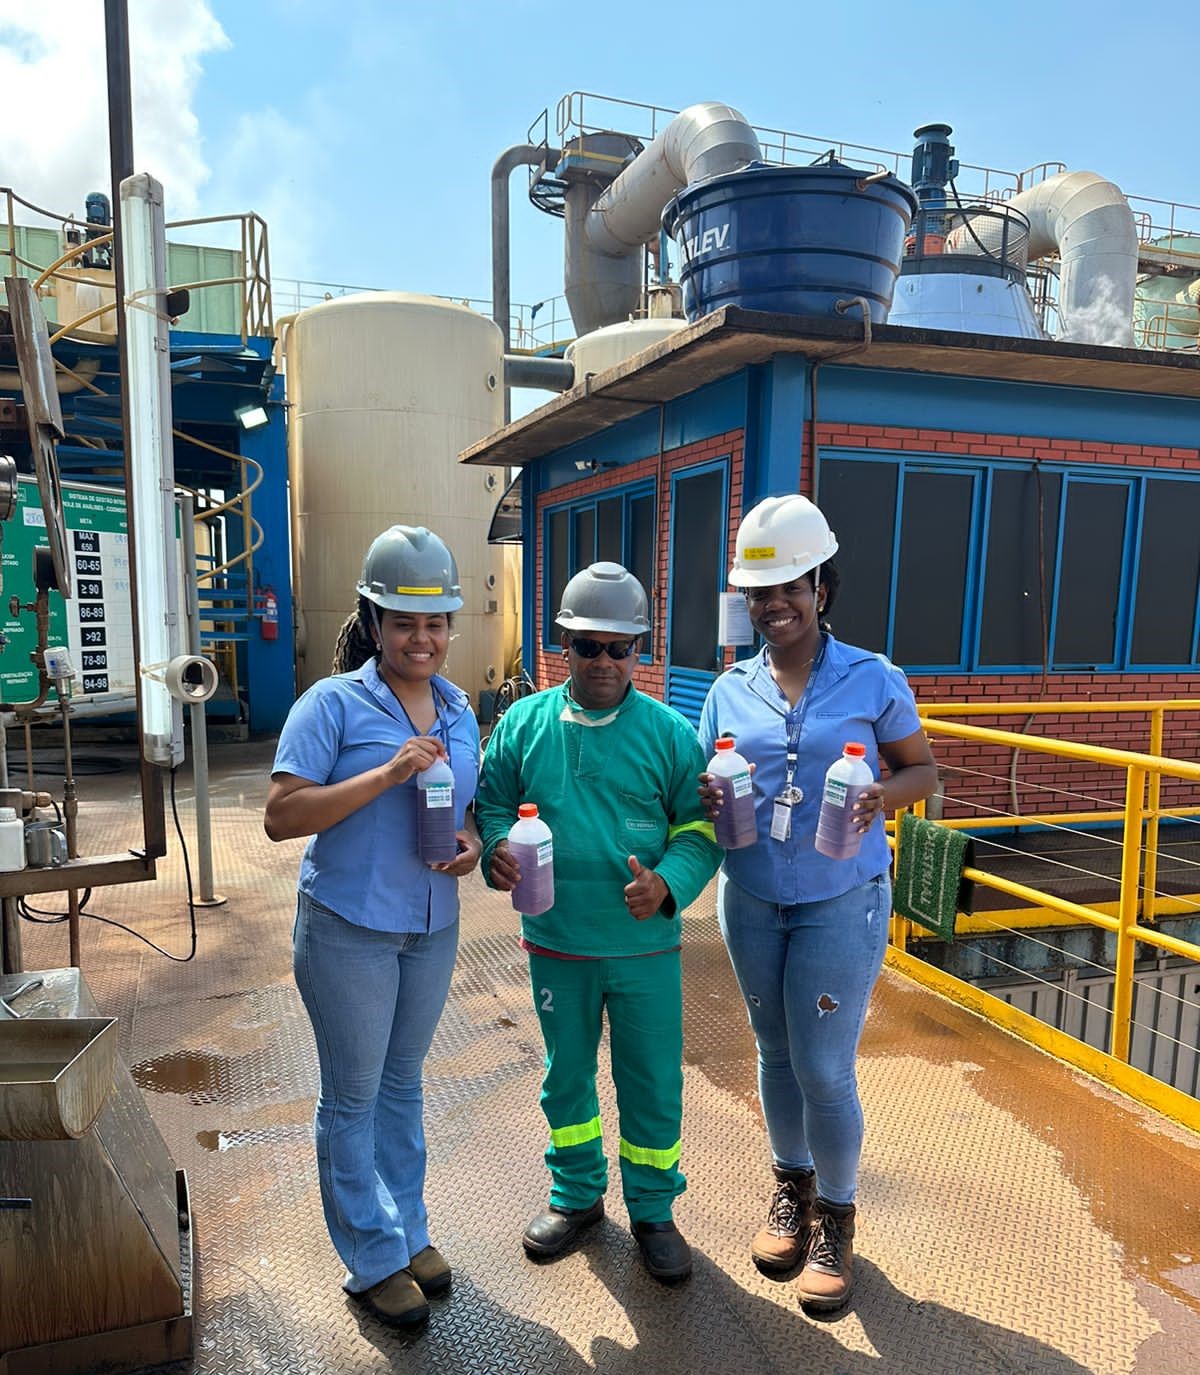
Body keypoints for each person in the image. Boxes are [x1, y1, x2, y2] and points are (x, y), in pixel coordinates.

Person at [698, 494, 936, 1313]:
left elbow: (921, 770)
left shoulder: (873, 677)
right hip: (752, 896)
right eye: (760, 592)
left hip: (842, 899)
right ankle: (790, 1189)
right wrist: (704, 796)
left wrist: (880, 795)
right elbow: (701, 786)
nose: (776, 604)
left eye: (791, 587)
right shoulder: (729, 689)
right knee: (773, 1052)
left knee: (824, 1067)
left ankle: (836, 1217)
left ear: (820, 589)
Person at [474, 562, 721, 1282]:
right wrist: (496, 849)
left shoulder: (669, 734)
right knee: (567, 1079)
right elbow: (492, 803)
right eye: (589, 646)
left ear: (639, 649)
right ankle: (577, 1195)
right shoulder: (523, 724)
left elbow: (700, 828)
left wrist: (668, 884)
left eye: (621, 647)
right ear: (564, 645)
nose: (605, 662)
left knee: (652, 1080)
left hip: (644, 949)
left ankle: (654, 1210)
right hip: (558, 943)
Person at [264, 525, 481, 1329]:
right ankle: (372, 1257)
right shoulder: (332, 704)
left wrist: (471, 843)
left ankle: (408, 1232)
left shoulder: (459, 709)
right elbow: (282, 815)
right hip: (348, 928)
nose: (422, 638)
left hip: (430, 928)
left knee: (402, 1084)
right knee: (353, 1097)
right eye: (404, 622)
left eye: (435, 623)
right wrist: (387, 773)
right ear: (373, 622)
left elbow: (464, 809)